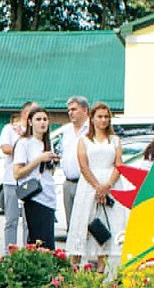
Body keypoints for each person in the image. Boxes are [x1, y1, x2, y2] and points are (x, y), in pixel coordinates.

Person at [65, 102, 124, 274]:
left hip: (110, 184)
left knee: (107, 225)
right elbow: (83, 166)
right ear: (92, 118)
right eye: (99, 116)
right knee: (84, 224)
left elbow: (119, 165)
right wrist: (97, 187)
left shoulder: (114, 140)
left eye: (106, 117)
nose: (103, 120)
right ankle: (74, 269)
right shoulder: (84, 140)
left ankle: (101, 271)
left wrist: (107, 186)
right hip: (89, 185)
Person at [13, 107, 59, 249]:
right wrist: (39, 159)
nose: (42, 123)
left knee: (49, 242)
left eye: (45, 119)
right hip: (34, 196)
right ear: (30, 122)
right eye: (38, 119)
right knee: (37, 241)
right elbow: (17, 173)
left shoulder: (48, 143)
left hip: (49, 196)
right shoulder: (24, 143)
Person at [1, 102, 37, 248]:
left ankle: (27, 251)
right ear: (24, 113)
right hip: (11, 179)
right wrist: (22, 151)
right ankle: (9, 252)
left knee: (29, 220)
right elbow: (5, 147)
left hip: (29, 180)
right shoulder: (10, 129)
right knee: (11, 219)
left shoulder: (34, 132)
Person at [59, 96, 90, 227]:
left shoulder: (92, 129)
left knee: (85, 224)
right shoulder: (67, 131)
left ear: (84, 109)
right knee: (71, 226)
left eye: (74, 109)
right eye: (69, 110)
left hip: (85, 182)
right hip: (68, 182)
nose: (70, 113)